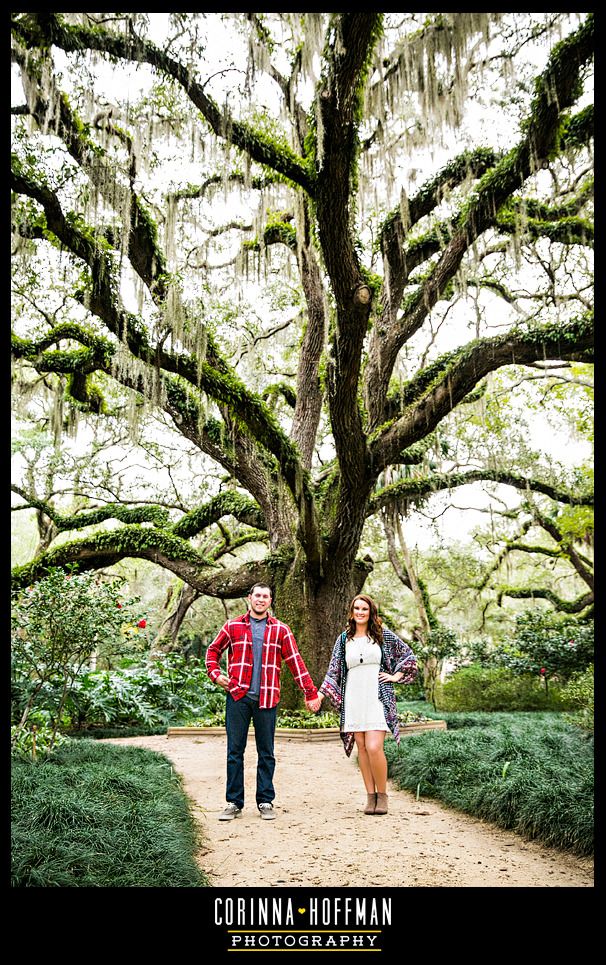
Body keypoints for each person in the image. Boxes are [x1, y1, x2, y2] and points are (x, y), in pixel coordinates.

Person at [206, 582, 322, 821]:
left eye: (265, 596)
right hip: (237, 697)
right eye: (257, 595)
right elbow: (212, 652)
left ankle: (265, 801)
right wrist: (217, 676)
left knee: (266, 752)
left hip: (267, 699)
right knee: (234, 752)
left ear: (270, 601)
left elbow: (295, 661)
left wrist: (310, 692)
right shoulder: (232, 626)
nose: (260, 600)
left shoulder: (281, 630)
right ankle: (234, 802)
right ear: (249, 598)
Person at [317, 593, 417, 816]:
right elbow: (333, 670)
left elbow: (408, 656)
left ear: (371, 612)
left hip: (377, 696)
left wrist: (395, 676)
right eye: (357, 609)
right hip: (353, 696)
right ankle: (370, 797)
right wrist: (320, 696)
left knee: (374, 747)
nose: (360, 612)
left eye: (364, 609)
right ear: (351, 613)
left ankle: (383, 795)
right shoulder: (344, 639)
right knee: (361, 748)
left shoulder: (382, 635)